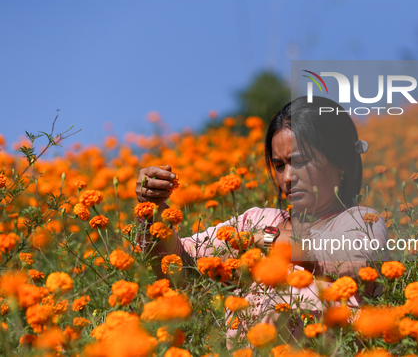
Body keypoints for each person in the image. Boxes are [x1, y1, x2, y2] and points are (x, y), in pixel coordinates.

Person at [135, 96, 388, 348]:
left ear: (341, 161)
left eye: (300, 161)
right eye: (279, 165)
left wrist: (268, 240)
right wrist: (153, 212)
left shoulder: (362, 220)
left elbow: (352, 257)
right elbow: (182, 263)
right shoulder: (257, 220)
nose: (288, 177)